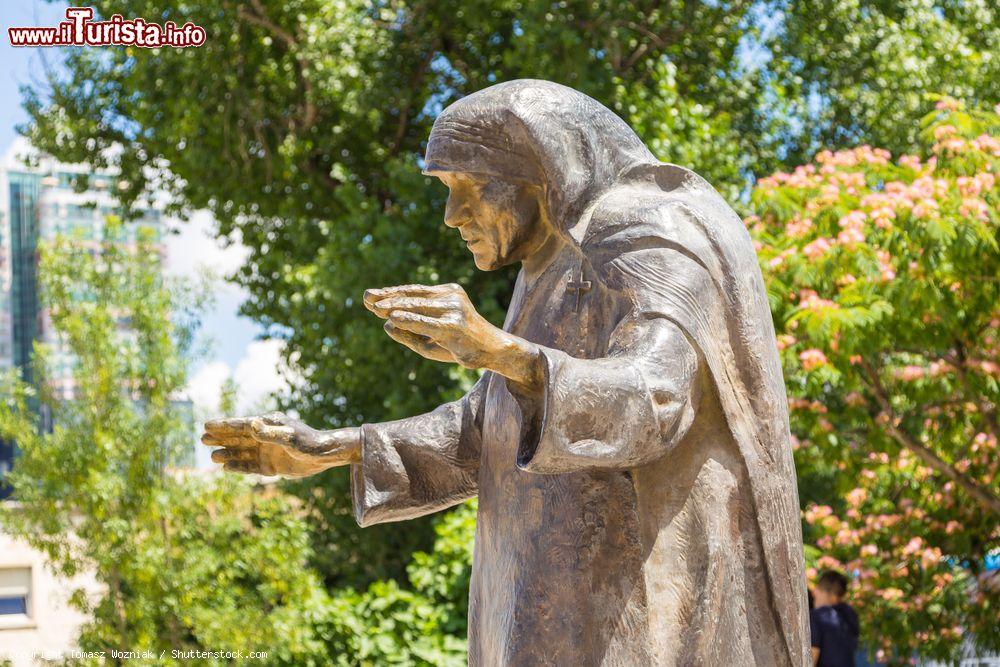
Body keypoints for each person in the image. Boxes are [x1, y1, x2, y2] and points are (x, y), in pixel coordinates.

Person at [202, 80, 810, 665]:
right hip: (539, 602)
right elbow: (492, 424)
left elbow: (655, 396)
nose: (451, 213)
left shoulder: (650, 231)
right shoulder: (544, 266)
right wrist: (337, 449)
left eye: (473, 186)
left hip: (634, 606)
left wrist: (497, 350)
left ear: (545, 174)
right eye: (446, 188)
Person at [810, 570, 861, 667]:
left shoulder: (817, 616)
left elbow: (812, 656)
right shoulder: (851, 615)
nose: (814, 595)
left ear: (830, 595)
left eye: (817, 590)